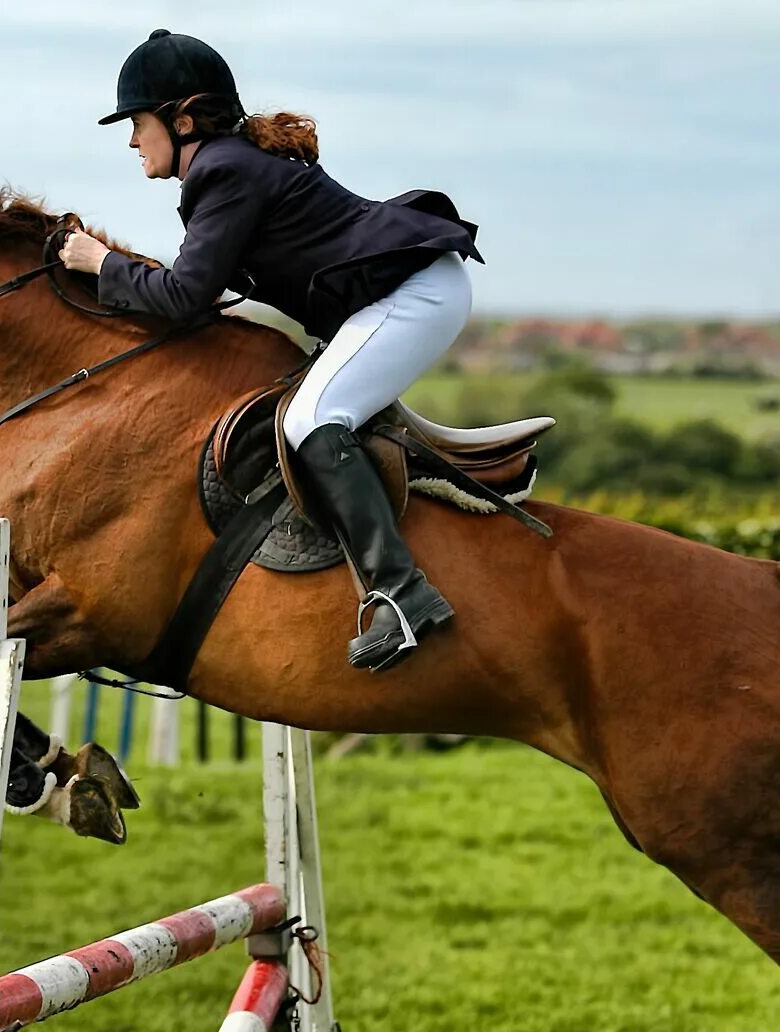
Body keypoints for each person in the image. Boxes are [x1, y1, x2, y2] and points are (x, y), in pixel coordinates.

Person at [59, 29, 482, 673]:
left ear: (184, 119)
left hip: (415, 293)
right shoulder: (231, 167)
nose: (131, 138)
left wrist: (102, 262)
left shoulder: (224, 171)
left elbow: (183, 296)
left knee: (312, 418)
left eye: (138, 122)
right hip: (408, 290)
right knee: (309, 406)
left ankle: (403, 595)